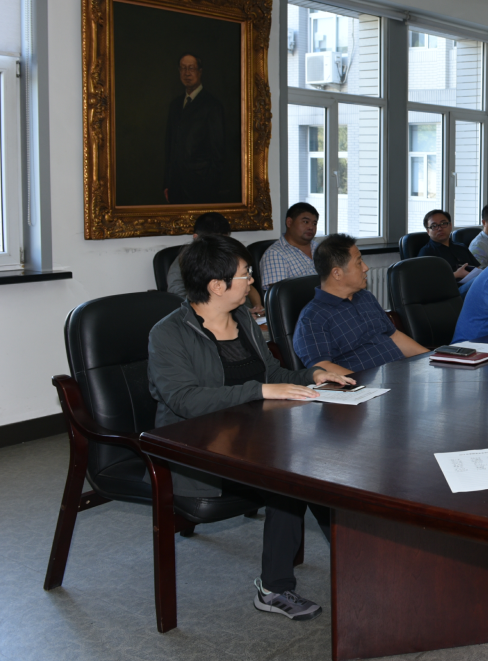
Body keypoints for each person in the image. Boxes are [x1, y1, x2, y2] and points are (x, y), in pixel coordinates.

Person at [147, 235, 355, 621]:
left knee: (321, 465)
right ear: (217, 285)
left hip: (255, 435)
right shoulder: (169, 333)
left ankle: (359, 564)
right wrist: (259, 390)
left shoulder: (242, 318)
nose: (252, 282)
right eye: (246, 274)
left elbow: (270, 373)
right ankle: (274, 588)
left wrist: (313, 375)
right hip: (197, 451)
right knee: (291, 479)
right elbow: (184, 400)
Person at [293, 234, 429, 374]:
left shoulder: (365, 297)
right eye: (359, 263)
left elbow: (394, 336)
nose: (365, 268)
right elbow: (321, 367)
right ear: (337, 273)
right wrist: (361, 385)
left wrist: (430, 359)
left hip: (399, 375)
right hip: (364, 385)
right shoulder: (312, 318)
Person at [166, 212, 264, 318]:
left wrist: (257, 306)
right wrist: (236, 314)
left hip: (246, 313)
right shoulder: (184, 261)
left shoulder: (232, 255)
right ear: (196, 238)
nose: (218, 247)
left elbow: (247, 284)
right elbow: (179, 297)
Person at [163, 53, 226, 205]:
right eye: (183, 68)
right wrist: (167, 183)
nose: (187, 73)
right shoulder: (175, 105)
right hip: (176, 188)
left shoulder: (212, 106)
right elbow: (170, 147)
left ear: (200, 71)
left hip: (201, 188)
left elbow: (218, 153)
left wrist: (210, 186)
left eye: (191, 68)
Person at [419, 208, 483, 294]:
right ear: (428, 231)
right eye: (434, 226)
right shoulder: (426, 253)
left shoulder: (461, 247)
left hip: (471, 288)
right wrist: (456, 275)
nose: (440, 228)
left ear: (450, 226)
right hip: (449, 293)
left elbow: (477, 269)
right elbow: (427, 282)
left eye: (443, 224)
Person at [260, 203, 319, 291]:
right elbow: (280, 294)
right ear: (289, 222)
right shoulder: (275, 254)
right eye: (306, 222)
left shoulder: (320, 248)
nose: (311, 227)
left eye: (314, 223)